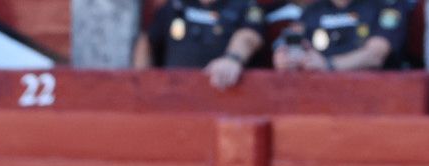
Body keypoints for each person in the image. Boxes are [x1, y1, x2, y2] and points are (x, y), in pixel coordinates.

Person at [133, 0, 264, 90]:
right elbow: (147, 42)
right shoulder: (174, 5)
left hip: (224, 95)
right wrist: (143, 84)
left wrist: (232, 59)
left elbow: (249, 36)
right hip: (174, 98)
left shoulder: (244, 6)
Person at [272, 0, 406, 72]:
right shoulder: (313, 10)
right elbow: (290, 40)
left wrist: (328, 64)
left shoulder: (385, 5)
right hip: (321, 95)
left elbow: (376, 55)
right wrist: (285, 56)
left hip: (374, 95)